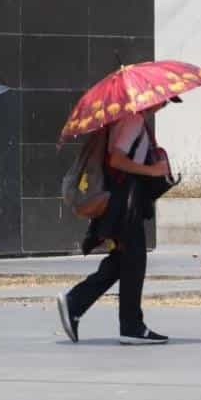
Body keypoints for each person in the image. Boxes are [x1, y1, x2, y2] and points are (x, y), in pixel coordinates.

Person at [56, 101, 175, 346]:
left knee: (124, 261)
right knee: (134, 259)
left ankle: (75, 303)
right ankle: (131, 326)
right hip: (124, 201)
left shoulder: (127, 119)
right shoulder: (133, 120)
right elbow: (117, 160)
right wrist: (152, 171)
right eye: (164, 98)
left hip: (121, 200)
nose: (164, 102)